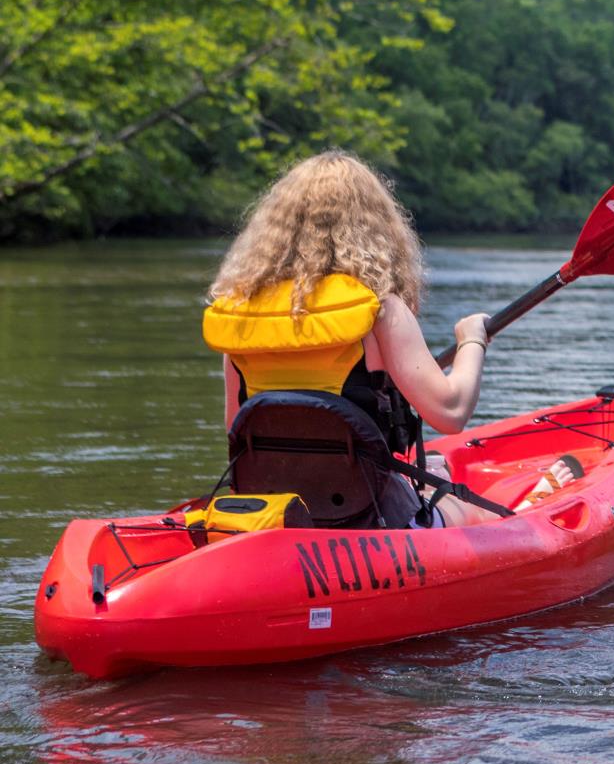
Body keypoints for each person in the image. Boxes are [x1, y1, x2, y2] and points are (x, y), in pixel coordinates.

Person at [204, 151, 576, 528]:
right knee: (475, 512)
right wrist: (471, 340)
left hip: (274, 509)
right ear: (373, 226)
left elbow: (237, 429)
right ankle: (534, 505)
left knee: (433, 469)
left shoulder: (240, 314)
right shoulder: (380, 310)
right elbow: (450, 412)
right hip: (366, 514)